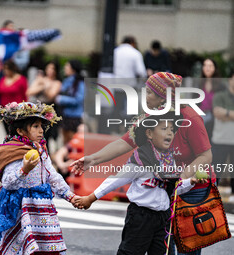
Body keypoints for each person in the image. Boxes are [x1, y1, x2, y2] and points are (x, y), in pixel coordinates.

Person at [71, 72, 215, 255]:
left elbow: (206, 155)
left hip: (193, 188)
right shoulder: (149, 118)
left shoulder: (190, 118)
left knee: (189, 246)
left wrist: (180, 179)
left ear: (163, 97)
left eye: (149, 93)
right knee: (164, 248)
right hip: (166, 189)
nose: (144, 96)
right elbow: (125, 142)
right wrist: (93, 158)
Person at [0, 101, 79, 255]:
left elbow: (51, 176)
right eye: (35, 126)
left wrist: (70, 196)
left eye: (41, 126)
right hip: (18, 208)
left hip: (39, 207)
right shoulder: (13, 151)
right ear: (20, 130)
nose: (41, 130)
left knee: (41, 249)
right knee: (17, 248)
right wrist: (24, 170)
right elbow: (8, 183)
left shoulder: (40, 149)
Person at [27, 60, 62, 148]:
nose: (50, 71)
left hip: (50, 110)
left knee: (47, 135)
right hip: (39, 109)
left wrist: (44, 86)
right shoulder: (40, 80)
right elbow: (29, 92)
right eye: (49, 68)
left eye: (53, 69)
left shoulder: (56, 82)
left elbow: (51, 96)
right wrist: (43, 86)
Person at [212, 70, 234, 200]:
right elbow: (216, 113)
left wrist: (226, 114)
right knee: (216, 170)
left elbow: (222, 114)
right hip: (220, 139)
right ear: (229, 80)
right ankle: (210, 193)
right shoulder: (220, 96)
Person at [56, 60, 84, 144]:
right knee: (65, 138)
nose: (65, 68)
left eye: (67, 66)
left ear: (73, 69)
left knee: (73, 140)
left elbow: (79, 99)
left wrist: (61, 99)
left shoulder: (79, 82)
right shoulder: (67, 81)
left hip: (74, 115)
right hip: (65, 114)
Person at [0, 60, 27, 133]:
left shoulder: (21, 79)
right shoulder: (3, 79)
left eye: (7, 69)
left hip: (17, 111)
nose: (6, 71)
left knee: (16, 132)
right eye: (4, 69)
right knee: (8, 132)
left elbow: (25, 95)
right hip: (5, 110)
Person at [198, 58, 224, 140]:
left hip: (213, 115)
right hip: (200, 113)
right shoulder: (199, 84)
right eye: (205, 65)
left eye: (210, 66)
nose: (207, 68)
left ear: (215, 68)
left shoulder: (220, 86)